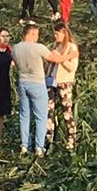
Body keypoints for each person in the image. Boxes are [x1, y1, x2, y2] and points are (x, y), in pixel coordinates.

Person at [10, 22, 71, 157]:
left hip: (22, 82)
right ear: (31, 33)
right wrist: (70, 55)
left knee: (24, 115)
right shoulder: (38, 48)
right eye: (36, 34)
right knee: (40, 116)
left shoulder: (15, 48)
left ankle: (24, 145)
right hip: (37, 83)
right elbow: (55, 58)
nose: (37, 37)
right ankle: (39, 147)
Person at [45, 22, 81, 151]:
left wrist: (61, 59)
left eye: (57, 33)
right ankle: (48, 139)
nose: (55, 36)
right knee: (48, 111)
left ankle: (71, 139)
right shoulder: (56, 45)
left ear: (64, 33)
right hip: (51, 81)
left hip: (64, 83)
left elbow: (72, 68)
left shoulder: (72, 48)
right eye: (54, 33)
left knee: (67, 111)